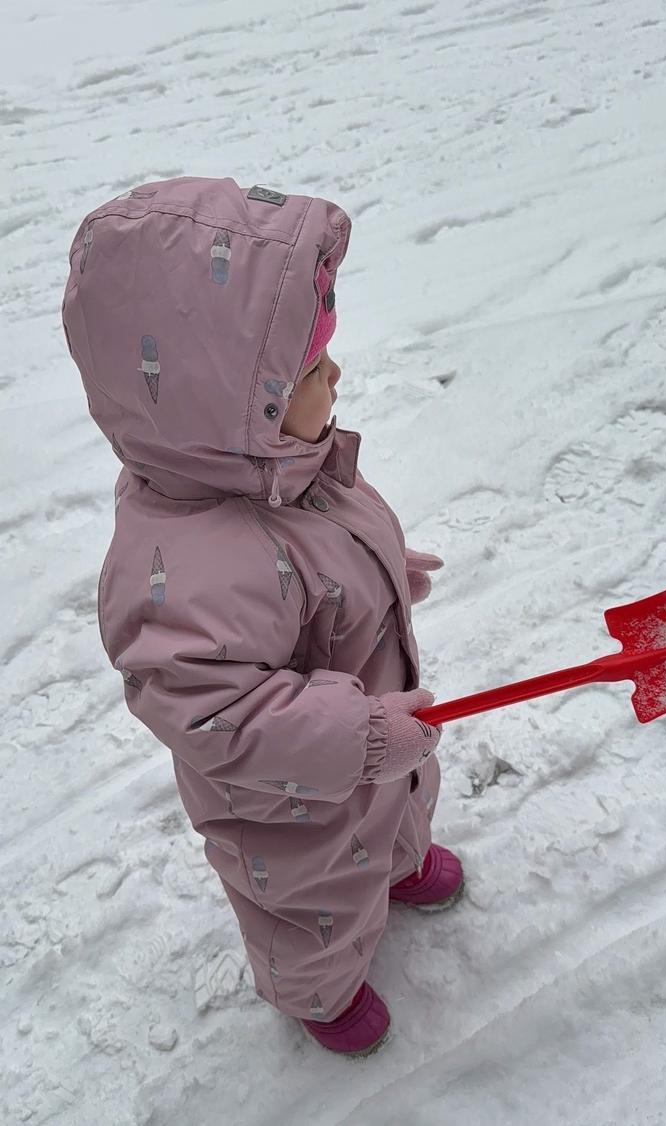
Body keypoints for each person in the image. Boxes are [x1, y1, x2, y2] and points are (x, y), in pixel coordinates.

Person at [61, 176, 464, 1060]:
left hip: (372, 739)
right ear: (232, 410)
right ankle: (317, 990)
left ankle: (399, 864)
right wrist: (358, 737)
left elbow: (322, 551)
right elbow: (217, 713)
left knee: (399, 804)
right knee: (311, 905)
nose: (336, 376)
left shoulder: (284, 464)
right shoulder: (177, 571)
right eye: (312, 370)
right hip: (288, 808)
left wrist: (380, 576)